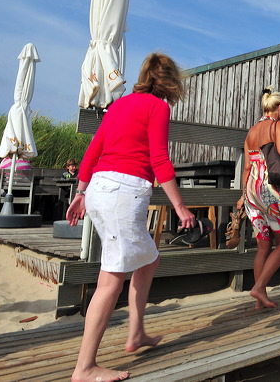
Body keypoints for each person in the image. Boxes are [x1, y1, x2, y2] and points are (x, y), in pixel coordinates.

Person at [66, 53, 196, 382]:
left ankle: (135, 333)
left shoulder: (120, 105)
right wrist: (180, 206)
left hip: (98, 189)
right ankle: (84, 368)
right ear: (169, 81)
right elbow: (159, 158)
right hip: (124, 192)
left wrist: (80, 193)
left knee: (148, 260)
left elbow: (94, 149)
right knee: (111, 280)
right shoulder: (158, 107)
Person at [239, 87, 280, 309]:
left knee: (263, 245)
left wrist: (243, 196)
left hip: (252, 189)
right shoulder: (276, 125)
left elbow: (247, 167)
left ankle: (260, 298)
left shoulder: (251, 132)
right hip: (270, 188)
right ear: (278, 108)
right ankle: (259, 288)